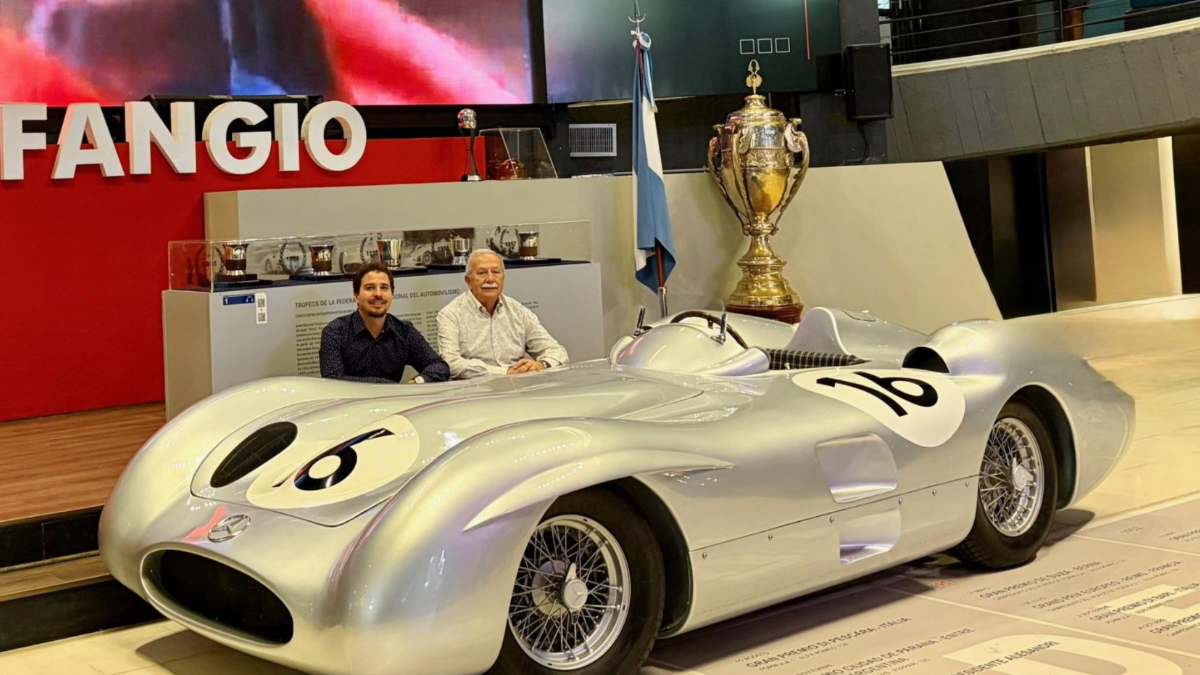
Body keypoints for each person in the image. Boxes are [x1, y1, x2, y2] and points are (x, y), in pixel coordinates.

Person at [437, 249, 568, 379]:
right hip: (473, 392)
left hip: (518, 389)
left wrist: (541, 365)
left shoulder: (518, 311)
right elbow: (451, 364)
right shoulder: (450, 315)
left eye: (496, 272)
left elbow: (557, 352)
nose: (490, 279)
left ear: (503, 278)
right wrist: (506, 372)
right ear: (468, 281)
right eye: (482, 273)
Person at [319, 261, 449, 384]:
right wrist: (389, 386)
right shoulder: (335, 332)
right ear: (356, 296)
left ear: (392, 295)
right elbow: (333, 380)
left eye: (384, 288)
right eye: (370, 288)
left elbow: (439, 367)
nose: (378, 294)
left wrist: (416, 382)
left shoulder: (404, 331)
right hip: (350, 405)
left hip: (393, 405)